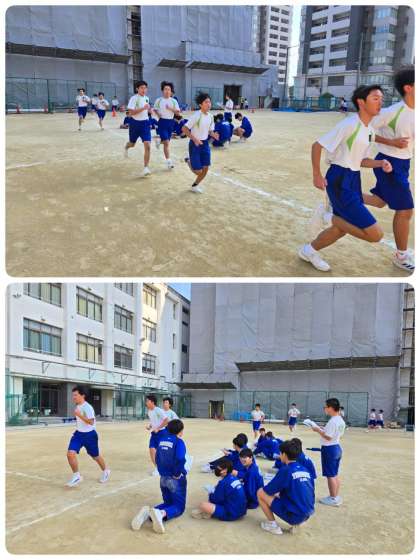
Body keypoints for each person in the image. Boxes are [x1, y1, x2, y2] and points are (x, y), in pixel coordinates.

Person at [298, 84, 391, 272]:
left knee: (341, 229)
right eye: (375, 98)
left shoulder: (369, 130)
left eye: (381, 98)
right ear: (361, 102)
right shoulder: (349, 124)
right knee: (375, 235)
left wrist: (380, 163)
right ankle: (327, 215)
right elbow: (317, 146)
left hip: (353, 178)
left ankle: (309, 251)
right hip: (339, 179)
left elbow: (361, 160)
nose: (380, 102)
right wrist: (317, 175)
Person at [363, 66, 415, 272]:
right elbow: (364, 130)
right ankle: (401, 256)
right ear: (409, 88)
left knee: (380, 201)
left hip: (403, 163)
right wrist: (391, 142)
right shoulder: (392, 112)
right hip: (388, 163)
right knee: (405, 210)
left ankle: (338, 195)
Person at [131, 419, 187, 534]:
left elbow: (157, 458)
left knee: (168, 503)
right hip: (175, 479)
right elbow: (180, 458)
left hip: (163, 478)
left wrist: (162, 471)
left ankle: (148, 513)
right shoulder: (179, 442)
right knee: (178, 507)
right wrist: (177, 474)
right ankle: (161, 514)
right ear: (180, 431)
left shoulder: (162, 440)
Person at [257, 439, 315, 535]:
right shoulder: (304, 469)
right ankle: (298, 522)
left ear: (284, 454)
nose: (279, 455)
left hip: (295, 516)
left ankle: (272, 525)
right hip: (307, 513)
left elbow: (268, 490)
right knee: (285, 494)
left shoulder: (286, 470)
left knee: (260, 492)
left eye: (280, 453)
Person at [66, 385, 110, 487]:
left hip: (90, 435)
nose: (74, 397)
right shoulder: (78, 406)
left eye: (76, 395)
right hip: (78, 434)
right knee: (70, 454)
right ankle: (76, 476)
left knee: (95, 456)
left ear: (82, 395)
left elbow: (91, 422)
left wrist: (79, 415)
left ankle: (106, 471)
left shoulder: (87, 407)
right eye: (73, 395)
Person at [310, 397, 345, 506]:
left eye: (325, 407)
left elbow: (328, 437)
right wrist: (323, 429)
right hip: (337, 447)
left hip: (329, 449)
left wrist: (317, 430)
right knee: (334, 474)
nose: (324, 409)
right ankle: (336, 496)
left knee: (330, 475)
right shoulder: (340, 420)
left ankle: (333, 498)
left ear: (331, 408)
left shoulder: (333, 421)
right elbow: (334, 434)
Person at [182, 91, 219, 193]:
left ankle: (195, 186)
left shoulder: (211, 116)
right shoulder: (196, 115)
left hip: (205, 144)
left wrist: (213, 134)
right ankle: (188, 160)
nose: (209, 104)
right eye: (206, 102)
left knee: (205, 168)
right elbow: (184, 128)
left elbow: (209, 130)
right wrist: (195, 139)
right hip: (195, 145)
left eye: (209, 102)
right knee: (198, 171)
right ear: (200, 104)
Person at [124, 80, 152, 176]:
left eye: (145, 88)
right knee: (132, 144)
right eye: (141, 88)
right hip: (135, 124)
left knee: (148, 145)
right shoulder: (134, 98)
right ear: (137, 89)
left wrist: (150, 110)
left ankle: (146, 168)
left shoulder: (147, 98)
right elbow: (131, 113)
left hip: (145, 124)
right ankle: (126, 147)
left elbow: (147, 110)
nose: (144, 90)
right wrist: (143, 108)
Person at [153, 81, 181, 169]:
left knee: (166, 142)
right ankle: (169, 161)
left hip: (171, 123)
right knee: (166, 143)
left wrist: (170, 108)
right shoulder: (159, 100)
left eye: (169, 89)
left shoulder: (174, 101)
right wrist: (158, 114)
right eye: (165, 89)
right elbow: (155, 109)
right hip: (162, 122)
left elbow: (178, 112)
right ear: (162, 90)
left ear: (171, 91)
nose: (167, 91)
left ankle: (159, 141)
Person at [145, 394, 169, 473]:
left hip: (162, 433)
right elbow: (153, 422)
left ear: (152, 402)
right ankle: (157, 468)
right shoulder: (149, 411)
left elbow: (166, 420)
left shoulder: (158, 410)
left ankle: (163, 467)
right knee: (151, 450)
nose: (146, 403)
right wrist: (150, 426)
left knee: (161, 452)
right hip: (154, 434)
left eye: (147, 401)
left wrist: (158, 428)